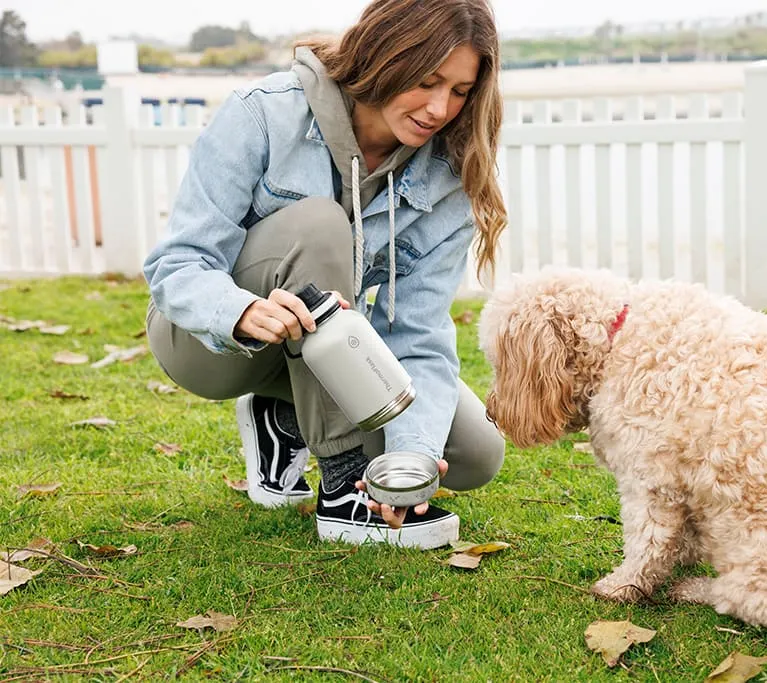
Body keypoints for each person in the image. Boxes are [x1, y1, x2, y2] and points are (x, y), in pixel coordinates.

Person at [142, 0, 507, 550]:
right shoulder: (263, 112)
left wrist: (411, 455)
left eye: (459, 91)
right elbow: (178, 264)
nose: (439, 109)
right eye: (428, 81)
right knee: (320, 224)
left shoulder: (448, 176)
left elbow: (419, 335)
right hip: (209, 346)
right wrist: (239, 311)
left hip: (325, 352)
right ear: (387, 55)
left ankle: (281, 418)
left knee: (474, 452)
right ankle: (341, 486)